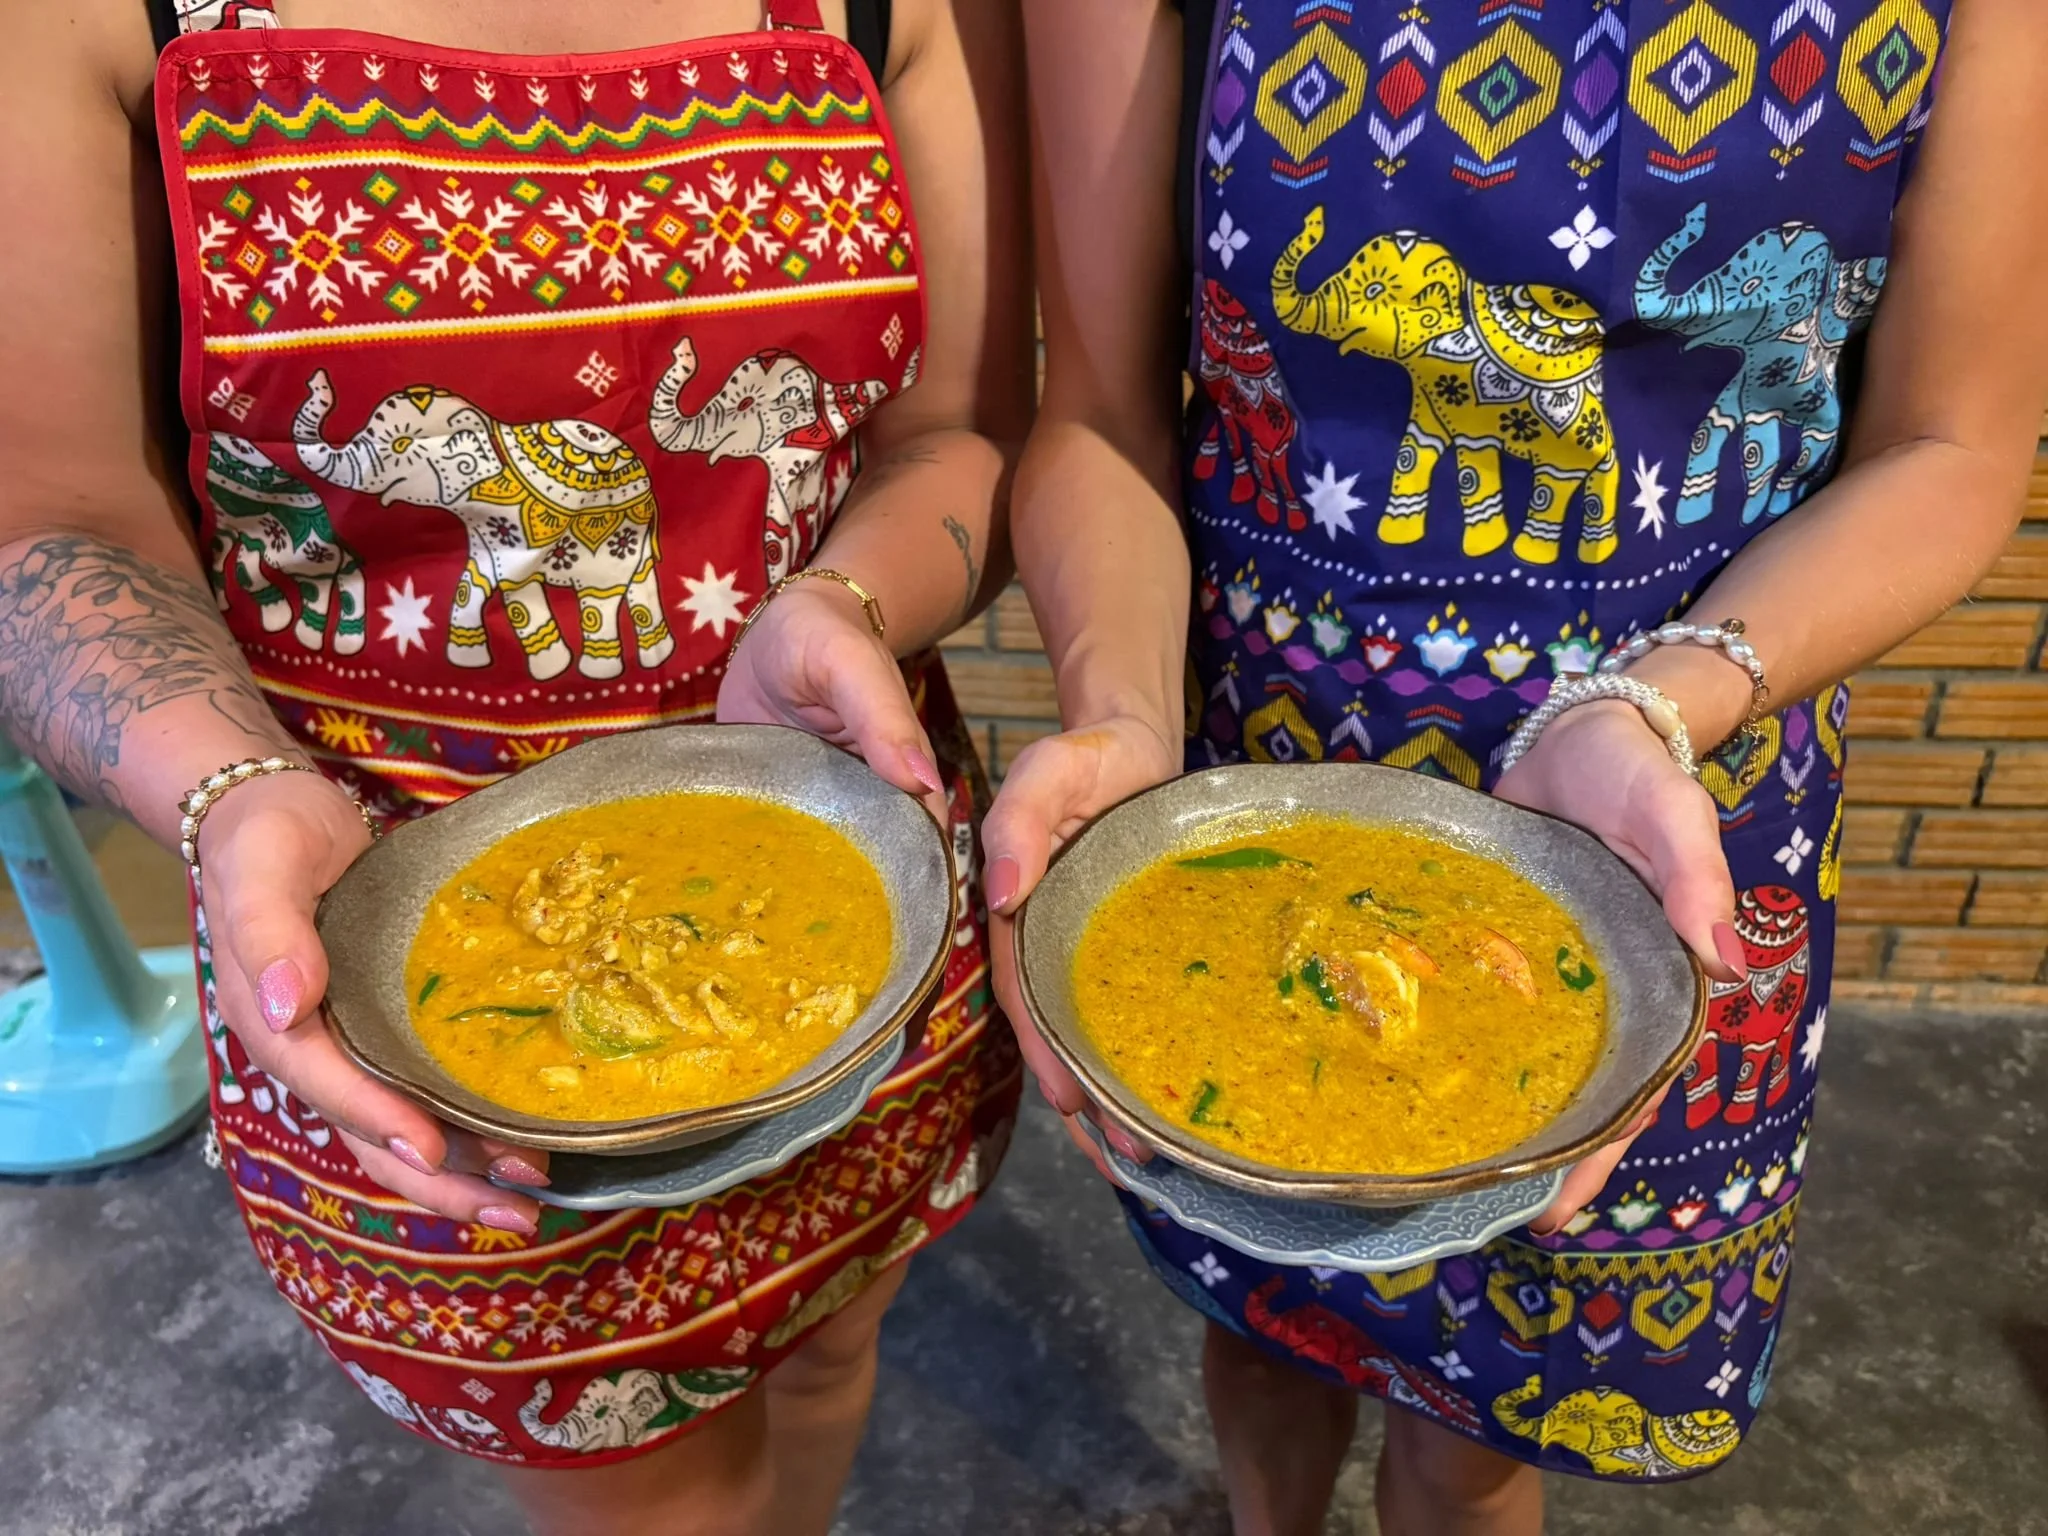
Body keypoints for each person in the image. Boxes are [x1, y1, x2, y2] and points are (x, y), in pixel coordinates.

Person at [994, 0, 2047, 1531]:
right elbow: (1099, 413)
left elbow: (1953, 443)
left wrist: (1655, 705)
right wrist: (1125, 717)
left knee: (1492, 1403)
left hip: (1662, 826)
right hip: (1244, 809)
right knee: (1267, 1325)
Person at [0, 0, 1029, 1530]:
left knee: (833, 1352)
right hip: (424, 1018)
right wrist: (226, 790)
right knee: (659, 1493)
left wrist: (843, 599)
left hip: (858, 908)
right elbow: (52, 525)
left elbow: (953, 432)